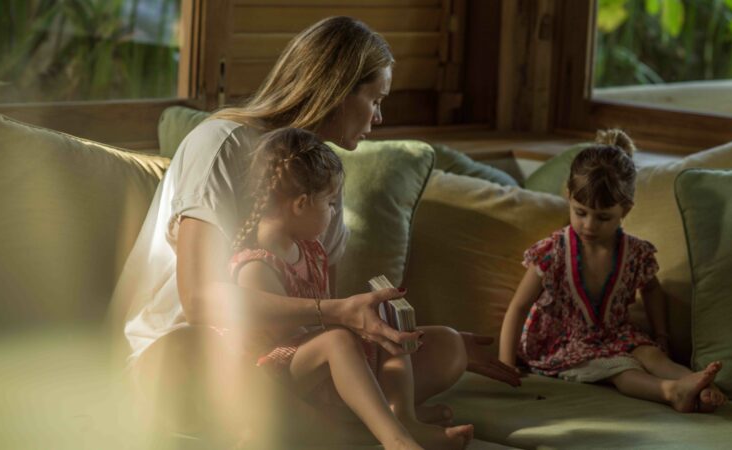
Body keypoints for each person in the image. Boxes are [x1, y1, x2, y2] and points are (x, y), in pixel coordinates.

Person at [111, 16, 518, 447]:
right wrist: (338, 312)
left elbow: (312, 312)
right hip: (193, 352)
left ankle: (328, 422)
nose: (379, 116)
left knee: (445, 347)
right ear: (339, 90)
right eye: (376, 99)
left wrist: (390, 335)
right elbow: (198, 302)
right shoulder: (222, 143)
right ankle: (353, 429)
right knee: (190, 350)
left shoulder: (324, 177)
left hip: (280, 362)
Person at [228, 127, 474, 449]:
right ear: (301, 204)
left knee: (390, 331)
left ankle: (401, 416)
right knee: (338, 341)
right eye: (330, 203)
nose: (333, 213)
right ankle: (398, 440)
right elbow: (279, 336)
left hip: (316, 360)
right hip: (270, 374)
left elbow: (325, 318)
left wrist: (372, 324)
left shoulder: (312, 251)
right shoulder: (256, 265)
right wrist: (343, 327)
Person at [498, 129, 728, 413]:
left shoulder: (635, 254)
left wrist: (662, 335)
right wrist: (506, 365)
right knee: (621, 370)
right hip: (563, 344)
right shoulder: (552, 254)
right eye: (580, 212)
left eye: (603, 217)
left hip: (615, 336)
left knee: (653, 356)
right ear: (569, 197)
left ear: (625, 210)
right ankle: (671, 392)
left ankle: (701, 386)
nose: (590, 225)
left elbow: (652, 289)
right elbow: (518, 307)